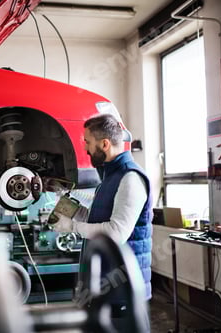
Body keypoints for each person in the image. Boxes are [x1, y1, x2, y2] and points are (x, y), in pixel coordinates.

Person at [51, 113, 153, 326]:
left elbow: (116, 233)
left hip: (123, 291)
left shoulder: (130, 178)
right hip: (107, 287)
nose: (86, 149)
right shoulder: (110, 177)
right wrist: (71, 207)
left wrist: (72, 226)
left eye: (88, 142)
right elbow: (97, 219)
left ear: (104, 144)